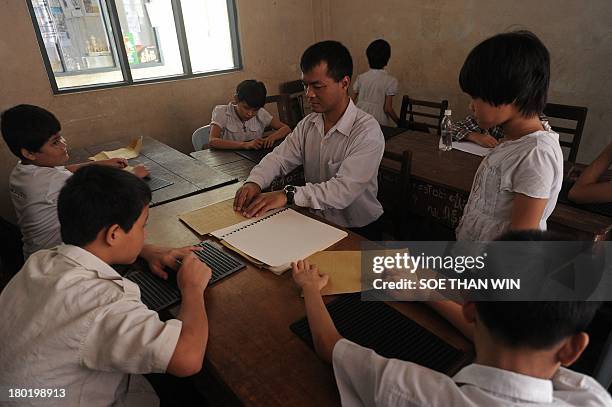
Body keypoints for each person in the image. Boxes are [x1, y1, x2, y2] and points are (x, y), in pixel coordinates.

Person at [291, 229, 612, 406]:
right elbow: (517, 357)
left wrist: (312, 289)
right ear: (574, 349)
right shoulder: (591, 399)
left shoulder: (412, 391)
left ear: (470, 307)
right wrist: (423, 290)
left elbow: (328, 344)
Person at [0, 165, 211, 406]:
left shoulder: (42, 260)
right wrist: (192, 288)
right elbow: (188, 360)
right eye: (143, 226)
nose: (145, 233)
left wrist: (145, 250)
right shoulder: (104, 301)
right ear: (114, 234)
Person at [233, 41, 385, 240]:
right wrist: (254, 182)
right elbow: (279, 158)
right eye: (306, 85)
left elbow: (342, 191)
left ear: (344, 83)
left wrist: (287, 194)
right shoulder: (308, 124)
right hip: (316, 221)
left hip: (357, 230)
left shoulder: (367, 132)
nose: (309, 94)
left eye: (318, 86)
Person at [1, 104, 149, 259]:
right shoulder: (52, 182)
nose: (64, 144)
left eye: (60, 137)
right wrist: (134, 174)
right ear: (29, 153)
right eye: (55, 142)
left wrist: (99, 163)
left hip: (34, 255)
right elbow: (109, 193)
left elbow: (64, 169)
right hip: (59, 258)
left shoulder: (21, 171)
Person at [454, 31, 563, 241]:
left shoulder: (536, 154)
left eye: (476, 97)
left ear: (511, 94)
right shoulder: (512, 140)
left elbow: (519, 243)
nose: (471, 106)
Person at [209, 79, 291, 150]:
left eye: (255, 110)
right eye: (246, 108)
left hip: (253, 159)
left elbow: (286, 128)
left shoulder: (261, 113)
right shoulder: (222, 112)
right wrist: (244, 145)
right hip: (228, 161)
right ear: (236, 99)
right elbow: (212, 141)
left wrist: (271, 138)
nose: (250, 114)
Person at [353, 39, 399, 126]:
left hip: (358, 118)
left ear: (368, 57)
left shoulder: (361, 78)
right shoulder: (390, 81)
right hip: (378, 121)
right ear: (387, 59)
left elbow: (351, 101)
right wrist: (399, 122)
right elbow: (387, 109)